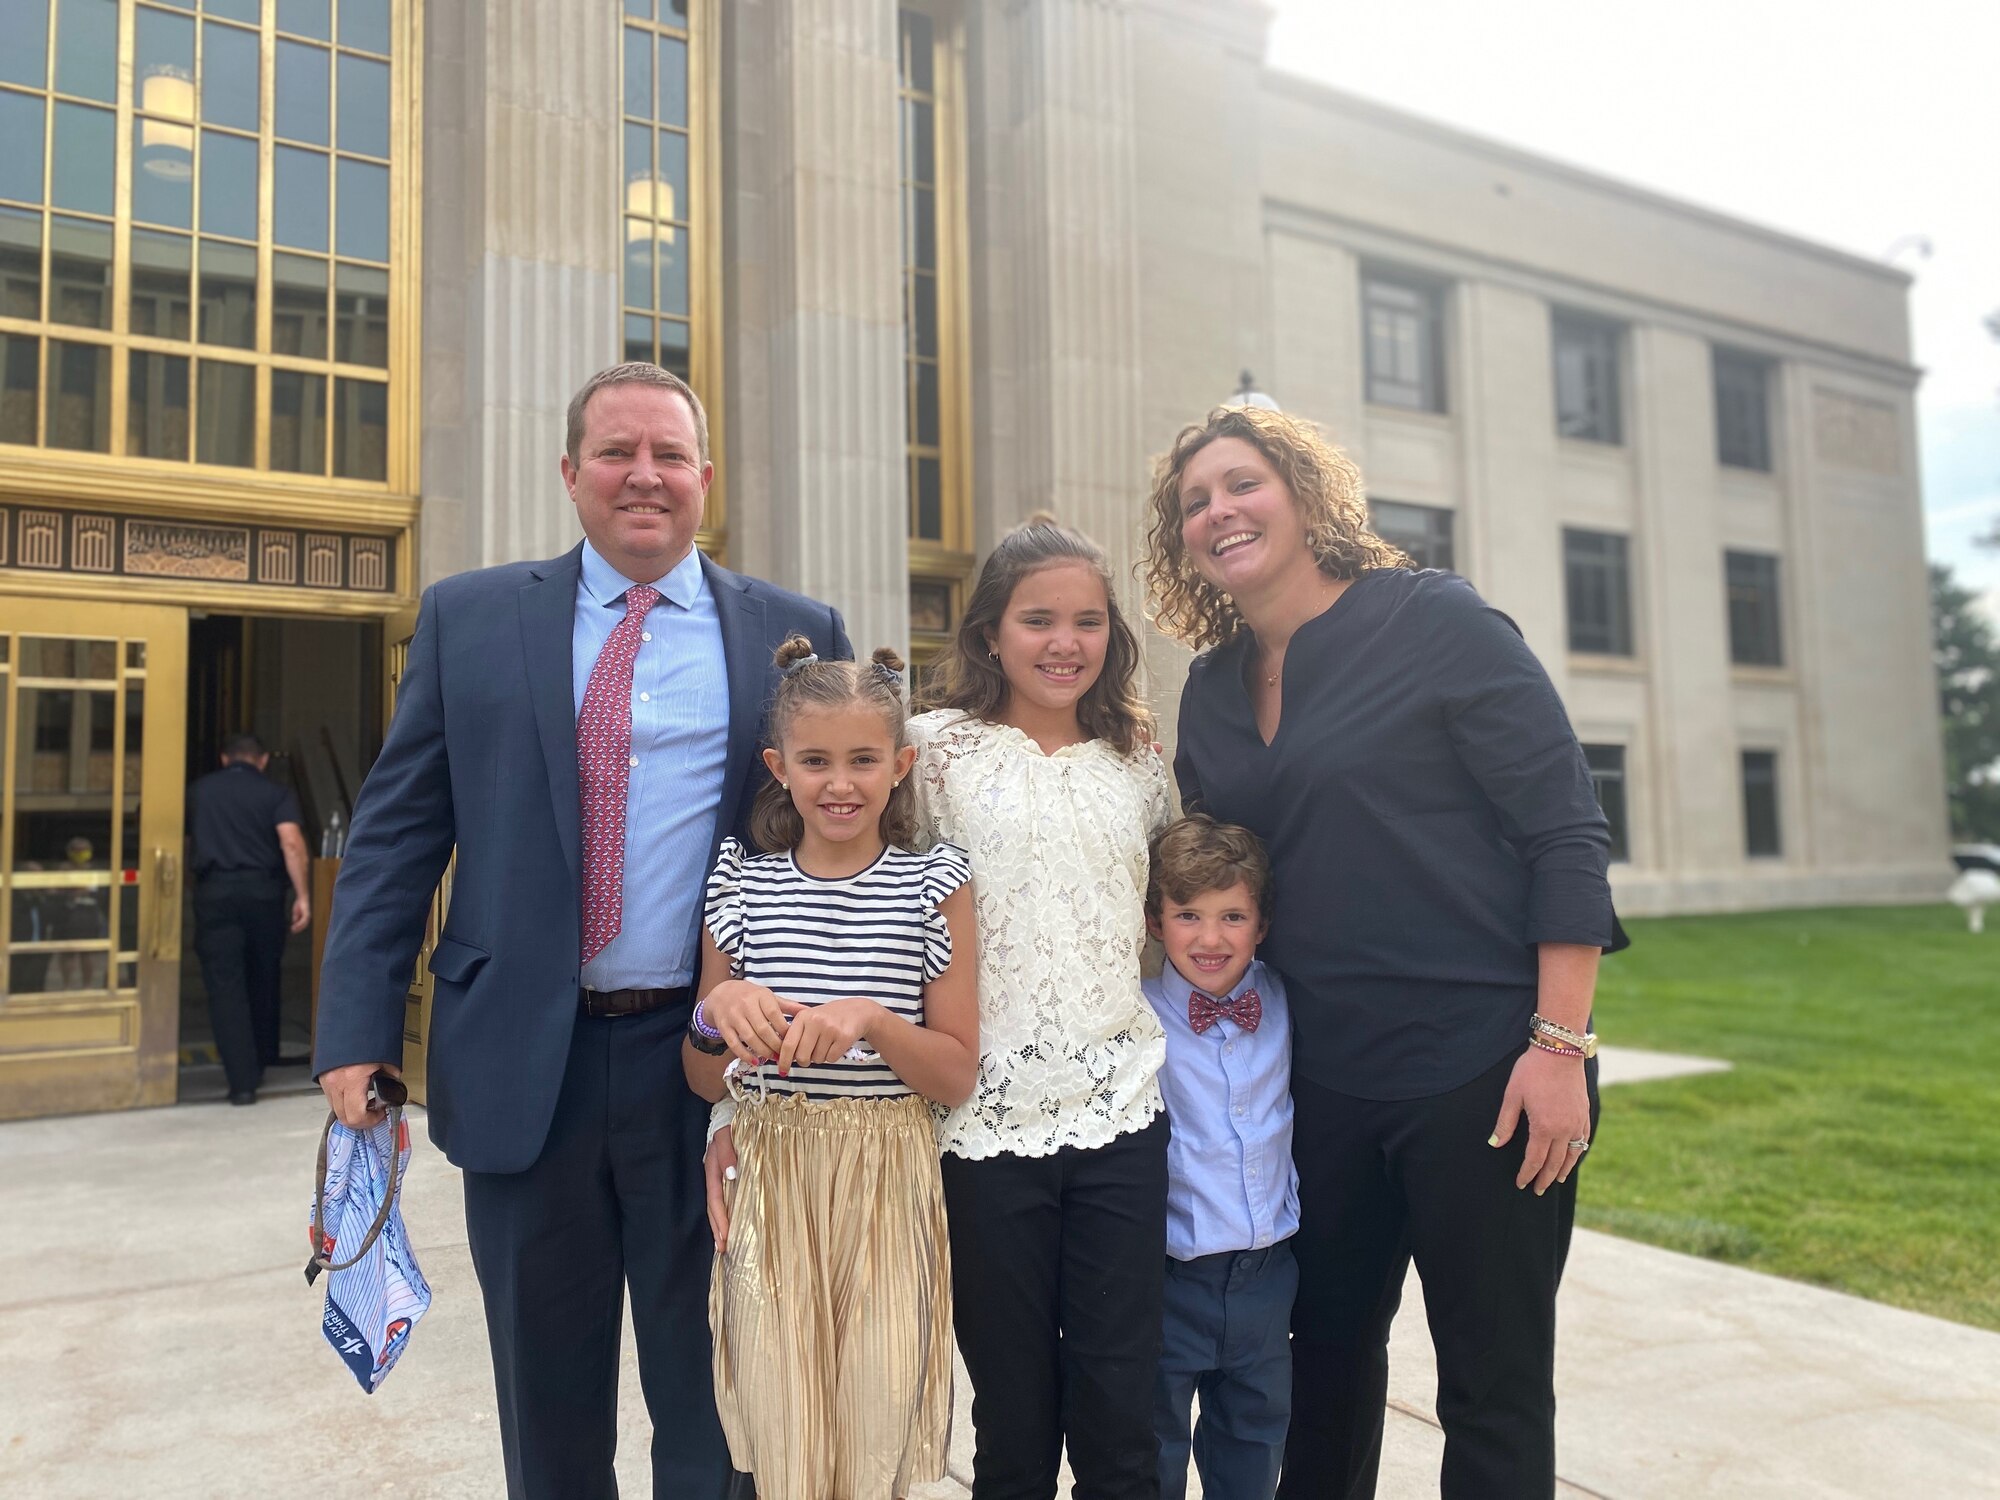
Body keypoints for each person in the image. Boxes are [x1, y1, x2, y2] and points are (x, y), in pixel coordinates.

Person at [312, 362, 851, 1500]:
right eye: (616, 453)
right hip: (522, 1065)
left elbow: (847, 841)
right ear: (570, 474)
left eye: (667, 454)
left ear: (706, 477)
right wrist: (354, 1030)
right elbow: (397, 836)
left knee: (719, 1409)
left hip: (714, 1068)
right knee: (548, 1416)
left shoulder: (795, 637)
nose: (642, 476)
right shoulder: (471, 617)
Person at [1142, 405, 1622, 1500]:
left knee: (1490, 1389)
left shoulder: (1433, 620)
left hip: (1484, 1068)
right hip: (1317, 1084)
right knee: (1318, 1373)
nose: (1216, 512)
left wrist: (1558, 1047)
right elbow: (1218, 881)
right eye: (1192, 504)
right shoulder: (1210, 692)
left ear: (1306, 496)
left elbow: (1563, 830)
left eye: (1240, 484)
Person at [908, 513, 1173, 1500]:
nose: (1065, 642)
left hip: (1121, 1114)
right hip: (979, 1126)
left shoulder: (1139, 761)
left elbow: (1166, 915)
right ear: (987, 636)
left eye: (1088, 621)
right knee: (1011, 1421)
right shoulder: (931, 753)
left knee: (1120, 1413)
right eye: (1037, 620)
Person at [685, 637, 979, 1500]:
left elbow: (956, 1074)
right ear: (778, 767)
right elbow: (705, 1077)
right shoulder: (742, 884)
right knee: (786, 1429)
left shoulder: (932, 883)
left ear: (903, 764)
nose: (840, 783)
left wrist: (875, 1022)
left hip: (889, 1170)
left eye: (863, 760)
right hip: (771, 1172)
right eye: (815, 760)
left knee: (874, 1419)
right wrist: (714, 1017)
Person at [1142, 815, 1296, 1500]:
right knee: (1153, 1449)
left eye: (1233, 916)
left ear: (1261, 926)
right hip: (1170, 1277)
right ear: (1155, 923)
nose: (1210, 938)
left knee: (1254, 1446)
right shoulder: (1136, 1019)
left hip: (1267, 1275)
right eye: (1188, 915)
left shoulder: (1288, 1000)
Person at [187, 733, 311, 1104]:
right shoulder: (276, 794)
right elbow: (291, 842)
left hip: (214, 892)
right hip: (263, 894)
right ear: (262, 760)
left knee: (226, 985)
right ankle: (262, 1057)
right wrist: (302, 894)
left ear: (225, 758)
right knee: (263, 973)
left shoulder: (199, 791)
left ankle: (242, 1083)